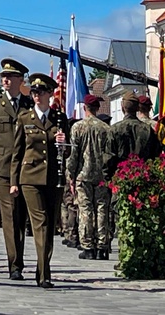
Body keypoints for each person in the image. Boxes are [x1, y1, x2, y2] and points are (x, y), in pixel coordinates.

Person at [10, 72, 68, 289]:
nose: (36, 95)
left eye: (40, 92)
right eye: (34, 92)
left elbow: (67, 154)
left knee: (50, 224)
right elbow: (17, 152)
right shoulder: (24, 118)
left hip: (53, 178)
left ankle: (42, 267)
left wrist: (63, 144)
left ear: (50, 94)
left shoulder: (59, 119)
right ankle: (45, 274)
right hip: (30, 178)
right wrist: (14, 180)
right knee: (40, 222)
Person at [0, 58, 33, 280]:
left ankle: (18, 257)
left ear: (20, 80)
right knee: (10, 214)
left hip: (25, 167)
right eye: (3, 76)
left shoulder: (29, 105)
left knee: (22, 216)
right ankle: (15, 263)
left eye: (10, 77)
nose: (5, 80)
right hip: (2, 167)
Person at [67, 93, 116, 260]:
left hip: (83, 174)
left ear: (84, 108)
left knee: (86, 210)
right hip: (101, 175)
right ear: (97, 108)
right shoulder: (106, 129)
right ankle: (102, 245)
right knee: (102, 209)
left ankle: (88, 246)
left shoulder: (78, 127)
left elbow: (74, 154)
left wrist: (70, 175)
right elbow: (110, 154)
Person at [111, 91, 160, 165]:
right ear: (137, 108)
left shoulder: (114, 129)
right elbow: (155, 154)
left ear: (122, 107)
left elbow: (109, 158)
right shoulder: (148, 129)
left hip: (119, 173)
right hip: (143, 172)